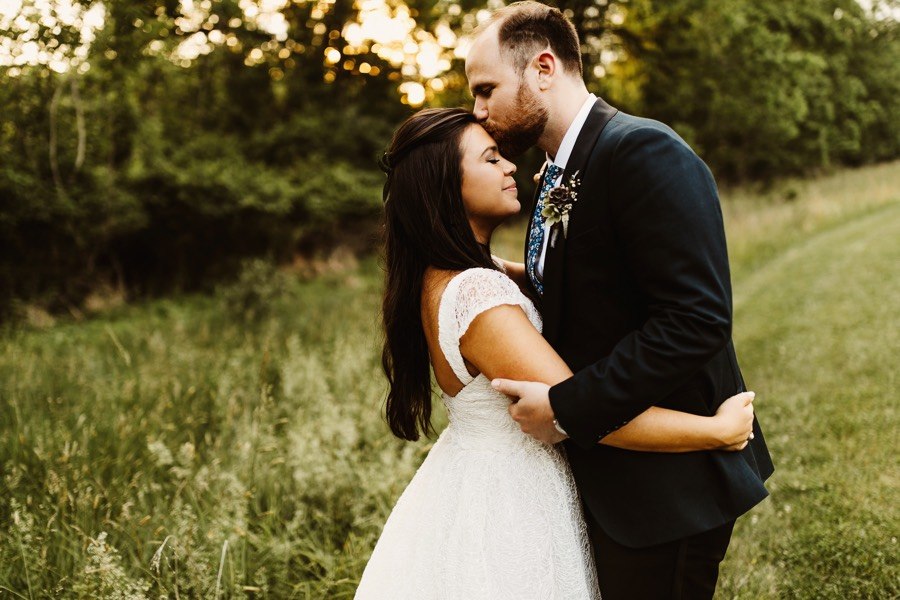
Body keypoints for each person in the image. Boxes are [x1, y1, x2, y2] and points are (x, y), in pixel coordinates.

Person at [354, 107, 757, 599]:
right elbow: (587, 409)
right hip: (515, 501)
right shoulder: (480, 300)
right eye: (491, 159)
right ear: (445, 186)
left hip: (475, 475)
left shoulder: (450, 275)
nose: (509, 167)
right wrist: (715, 432)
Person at [464, 2, 775, 598]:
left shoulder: (642, 151)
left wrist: (565, 408)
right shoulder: (560, 167)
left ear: (544, 68)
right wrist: (505, 277)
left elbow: (695, 320)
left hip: (670, 488)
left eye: (486, 89)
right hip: (618, 477)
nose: (478, 111)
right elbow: (595, 285)